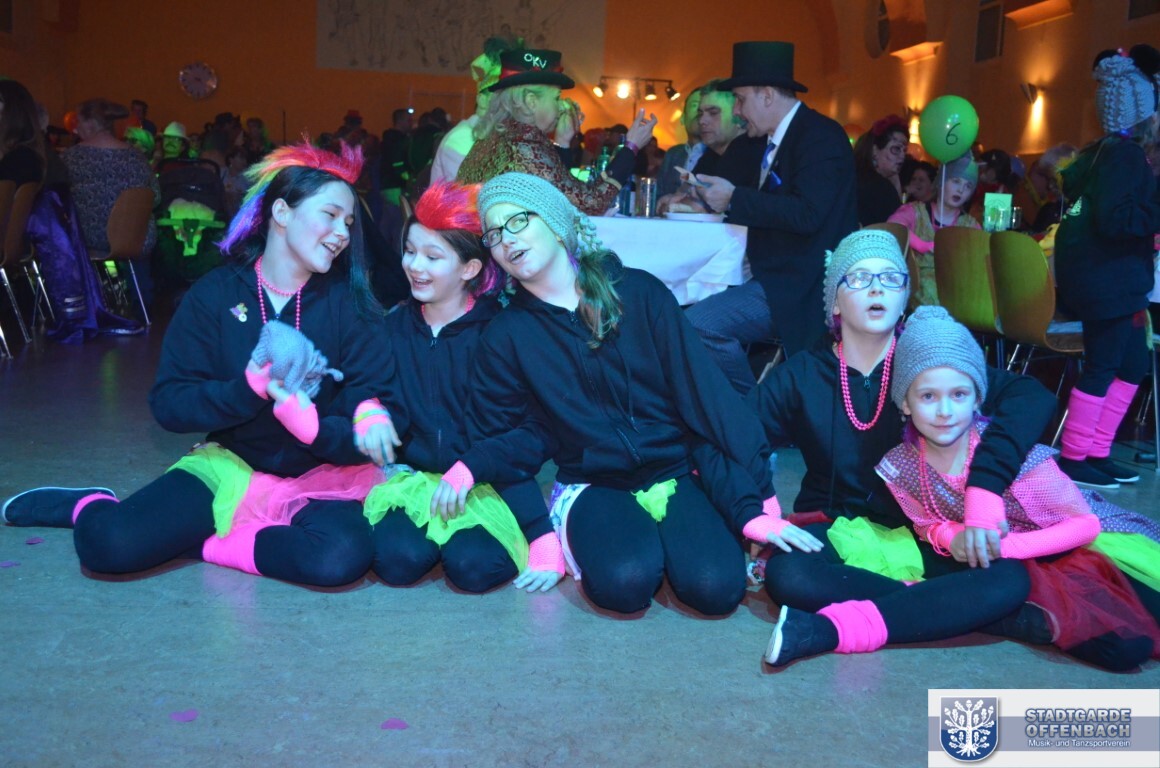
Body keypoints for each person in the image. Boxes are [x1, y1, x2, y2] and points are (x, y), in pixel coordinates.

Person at [2, 141, 394, 589]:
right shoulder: (215, 294)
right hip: (230, 465)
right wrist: (244, 391)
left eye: (348, 222)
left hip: (320, 476)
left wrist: (318, 431)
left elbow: (373, 403)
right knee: (110, 545)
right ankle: (89, 504)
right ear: (282, 213)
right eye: (330, 215)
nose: (342, 233)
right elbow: (170, 403)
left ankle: (207, 544)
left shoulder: (352, 307)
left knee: (339, 556)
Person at [690, 229, 1055, 664]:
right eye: (860, 278)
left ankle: (884, 617)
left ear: (904, 299)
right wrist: (756, 512)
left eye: (891, 278)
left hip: (926, 530)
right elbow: (729, 440)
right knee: (790, 575)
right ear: (835, 303)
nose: (877, 288)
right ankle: (961, 610)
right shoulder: (802, 374)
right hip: (834, 527)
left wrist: (985, 486)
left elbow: (1031, 396)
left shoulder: (929, 365)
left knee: (1008, 576)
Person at [457, 172, 778, 616]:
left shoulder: (639, 293)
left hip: (676, 469)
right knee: (624, 584)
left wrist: (761, 491)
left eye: (517, 221)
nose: (506, 239)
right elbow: (499, 438)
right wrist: (539, 534)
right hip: (593, 482)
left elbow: (706, 395)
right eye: (493, 234)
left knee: (716, 589)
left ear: (555, 222)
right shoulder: (506, 336)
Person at [302, 181, 561, 594]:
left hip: (487, 479)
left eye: (433, 256)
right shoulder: (392, 328)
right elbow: (361, 385)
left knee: (474, 568)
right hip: (415, 480)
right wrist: (368, 406)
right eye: (409, 251)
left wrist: (536, 529)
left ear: (469, 269)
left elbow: (529, 431)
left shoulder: (499, 333)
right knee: (397, 561)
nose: (414, 266)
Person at [877, 306, 1160, 671]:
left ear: (978, 398)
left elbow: (1085, 525)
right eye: (928, 396)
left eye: (959, 394)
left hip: (1076, 545)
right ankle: (1027, 618)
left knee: (1143, 622)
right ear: (904, 402)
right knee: (1120, 648)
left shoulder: (1014, 456)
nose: (944, 410)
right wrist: (951, 537)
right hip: (1012, 567)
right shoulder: (901, 464)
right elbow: (925, 522)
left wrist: (1005, 548)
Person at [689, 41, 859, 393]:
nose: (737, 112)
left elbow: (807, 214)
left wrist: (734, 198)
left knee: (697, 325)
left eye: (740, 99)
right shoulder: (779, 139)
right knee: (686, 309)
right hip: (776, 277)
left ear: (767, 95)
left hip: (802, 287)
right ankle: (753, 409)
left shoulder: (820, 136)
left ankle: (753, 411)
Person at [1053, 45, 1160, 490]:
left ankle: (1097, 450)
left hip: (1110, 278)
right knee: (1104, 365)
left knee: (1132, 363)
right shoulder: (1124, 156)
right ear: (1144, 111)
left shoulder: (1103, 153)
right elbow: (1116, 219)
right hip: (1108, 278)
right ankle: (1074, 456)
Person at [457, 48, 657, 216]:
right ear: (530, 101)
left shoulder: (492, 140)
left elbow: (559, 191)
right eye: (556, 98)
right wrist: (631, 147)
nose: (561, 107)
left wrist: (562, 142)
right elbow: (590, 203)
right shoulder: (525, 145)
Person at [63, 98, 160, 256]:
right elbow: (155, 197)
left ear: (90, 123)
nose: (75, 128)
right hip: (138, 239)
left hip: (90, 241)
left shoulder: (71, 157)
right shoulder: (138, 157)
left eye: (78, 121)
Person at [887, 152, 980, 306]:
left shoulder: (970, 225)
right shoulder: (915, 211)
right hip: (915, 293)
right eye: (956, 181)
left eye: (968, 186)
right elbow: (893, 228)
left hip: (955, 295)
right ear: (942, 181)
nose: (961, 190)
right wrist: (922, 245)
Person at [430, 35, 523, 184]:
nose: (509, 104)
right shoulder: (463, 138)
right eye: (500, 96)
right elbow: (476, 194)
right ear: (482, 100)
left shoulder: (500, 137)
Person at [853, 114, 908, 225]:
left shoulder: (854, 175)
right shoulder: (881, 188)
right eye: (896, 149)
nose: (902, 156)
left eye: (904, 150)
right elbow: (898, 228)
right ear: (875, 150)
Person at [656, 87, 702, 199]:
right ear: (682, 118)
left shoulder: (721, 153)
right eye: (695, 105)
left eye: (709, 109)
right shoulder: (673, 154)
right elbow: (659, 193)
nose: (700, 112)